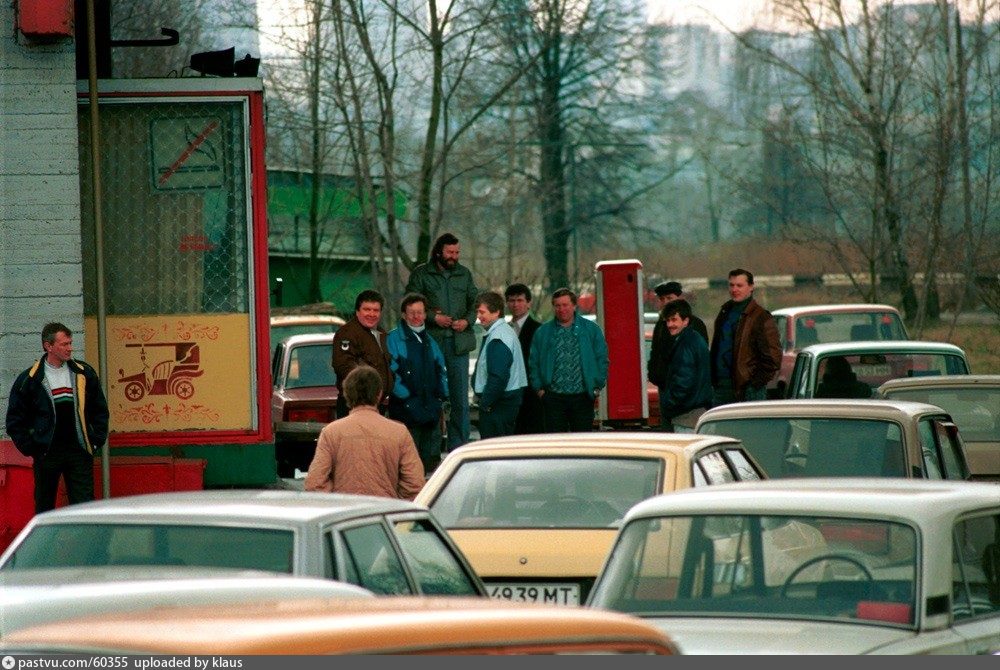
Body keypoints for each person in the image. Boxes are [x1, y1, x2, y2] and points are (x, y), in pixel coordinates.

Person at [5, 322, 110, 513]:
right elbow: (15, 420)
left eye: (70, 343)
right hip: (47, 454)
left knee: (84, 506)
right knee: (44, 506)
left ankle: (84, 543)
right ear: (48, 346)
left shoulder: (84, 373)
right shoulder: (30, 379)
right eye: (64, 344)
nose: (70, 348)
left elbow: (100, 410)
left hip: (79, 451)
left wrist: (94, 441)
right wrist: (33, 447)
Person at [304, 365, 425, 500]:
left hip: (345, 515)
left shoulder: (331, 432)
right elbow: (414, 484)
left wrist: (337, 502)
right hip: (384, 512)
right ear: (379, 394)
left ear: (347, 394)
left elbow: (314, 483)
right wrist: (395, 504)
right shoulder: (399, 433)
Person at [405, 233, 479, 449]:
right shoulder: (421, 274)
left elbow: (475, 303)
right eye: (450, 252)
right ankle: (431, 449)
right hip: (430, 344)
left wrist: (466, 321)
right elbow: (411, 303)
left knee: (460, 401)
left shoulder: (464, 275)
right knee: (430, 397)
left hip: (458, 345)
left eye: (457, 253)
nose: (454, 257)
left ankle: (459, 448)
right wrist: (433, 317)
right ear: (439, 251)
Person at [529, 288, 609, 432]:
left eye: (565, 305)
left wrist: (597, 386)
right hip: (553, 397)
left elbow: (602, 359)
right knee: (556, 443)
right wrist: (539, 389)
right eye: (558, 305)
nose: (561, 309)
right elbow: (533, 362)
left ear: (574, 305)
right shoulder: (543, 332)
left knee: (582, 442)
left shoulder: (591, 329)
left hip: (583, 396)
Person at [386, 293, 448, 473]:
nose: (416, 316)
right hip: (406, 412)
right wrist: (406, 398)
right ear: (404, 315)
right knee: (408, 465)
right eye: (411, 312)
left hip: (431, 412)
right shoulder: (394, 339)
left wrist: (440, 398)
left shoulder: (430, 340)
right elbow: (391, 373)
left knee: (430, 464)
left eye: (420, 312)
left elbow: (441, 370)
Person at [709, 269, 781, 405]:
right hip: (721, 387)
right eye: (731, 285)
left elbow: (773, 357)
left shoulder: (761, 317)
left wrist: (755, 384)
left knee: (749, 426)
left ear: (751, 287)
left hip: (748, 388)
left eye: (739, 285)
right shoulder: (725, 312)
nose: (734, 289)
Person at [472, 292, 527, 439]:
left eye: (482, 312)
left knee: (494, 452)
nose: (478, 316)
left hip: (498, 405)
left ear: (496, 312)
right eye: (478, 311)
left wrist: (485, 403)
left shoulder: (498, 337)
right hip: (503, 402)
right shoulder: (503, 332)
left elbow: (498, 376)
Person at [332, 290, 394, 418]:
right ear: (357, 311)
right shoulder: (347, 334)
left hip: (378, 405)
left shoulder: (382, 334)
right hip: (355, 406)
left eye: (376, 310)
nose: (372, 314)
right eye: (367, 309)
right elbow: (344, 366)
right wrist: (368, 391)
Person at [648, 281, 708, 404]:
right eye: (662, 299)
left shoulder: (695, 324)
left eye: (669, 298)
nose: (665, 302)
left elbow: (700, 359)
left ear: (679, 298)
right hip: (665, 386)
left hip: (687, 390)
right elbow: (656, 353)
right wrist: (654, 374)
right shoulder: (661, 325)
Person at [658, 300, 714, 431]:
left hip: (686, 417)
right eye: (667, 320)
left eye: (674, 320)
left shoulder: (685, 345)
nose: (670, 324)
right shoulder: (694, 339)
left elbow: (683, 382)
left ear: (685, 321)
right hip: (697, 412)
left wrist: (668, 404)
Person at [505, 283, 542, 434]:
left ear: (528, 303)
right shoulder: (504, 329)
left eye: (520, 300)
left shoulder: (538, 329)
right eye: (512, 301)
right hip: (509, 391)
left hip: (531, 393)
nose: (516, 304)